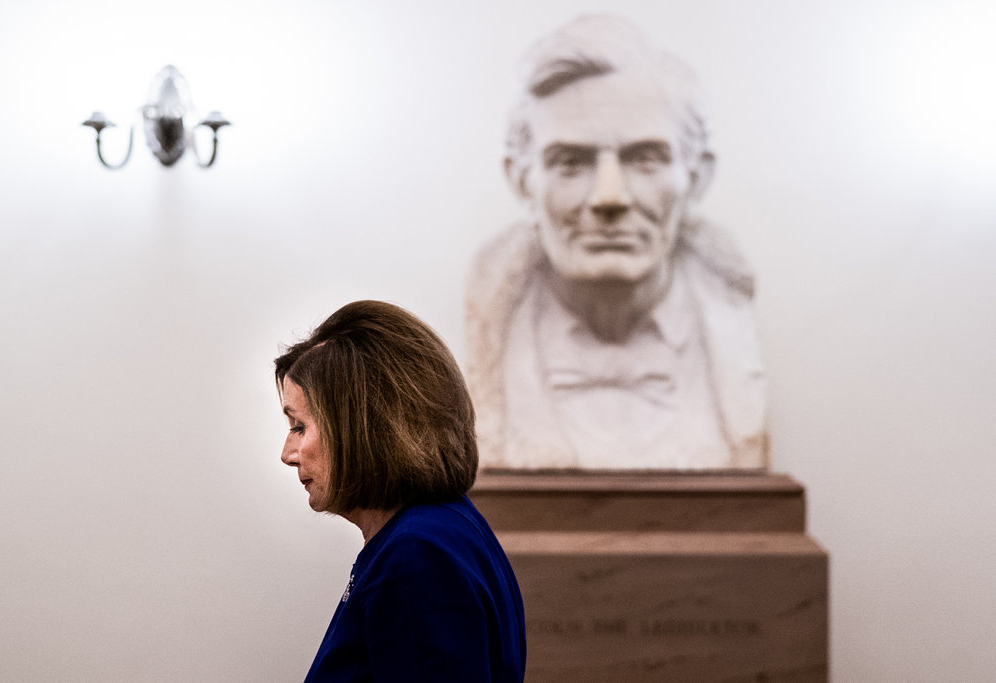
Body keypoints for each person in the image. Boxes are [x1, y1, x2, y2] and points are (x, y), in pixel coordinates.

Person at [466, 14, 768, 470]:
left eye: (645, 159)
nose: (610, 197)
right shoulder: (499, 332)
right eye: (571, 163)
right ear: (521, 180)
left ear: (697, 176)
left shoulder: (724, 330)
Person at [276, 300, 526, 682]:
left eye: (299, 426)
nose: (287, 454)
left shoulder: (415, 554)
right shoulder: (440, 526)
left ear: (362, 427)